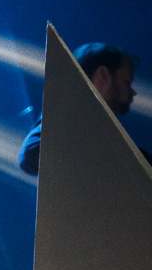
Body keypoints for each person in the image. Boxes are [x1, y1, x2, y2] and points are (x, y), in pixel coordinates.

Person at [18, 42, 149, 175]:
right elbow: (32, 155)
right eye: (127, 81)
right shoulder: (66, 115)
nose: (133, 92)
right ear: (103, 74)